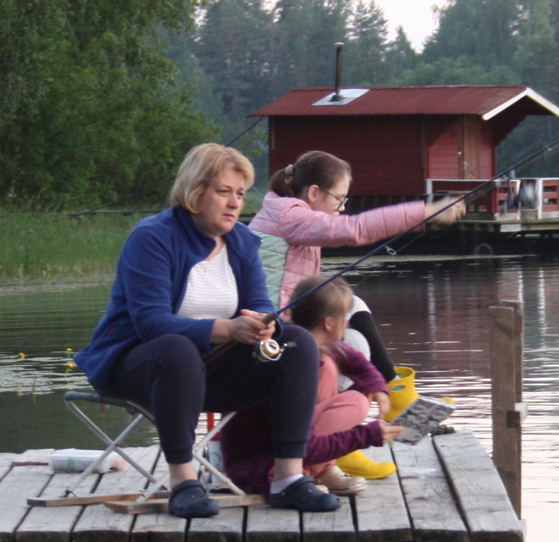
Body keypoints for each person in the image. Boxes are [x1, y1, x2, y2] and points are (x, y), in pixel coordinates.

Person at [73, 144, 339, 519]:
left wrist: (265, 325)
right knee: (176, 348)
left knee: (298, 342)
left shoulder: (243, 242)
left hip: (212, 369)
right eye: (223, 192)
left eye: (240, 194)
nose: (234, 203)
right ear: (196, 193)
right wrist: (226, 328)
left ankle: (288, 479)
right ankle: (183, 481)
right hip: (140, 366)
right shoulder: (153, 237)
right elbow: (150, 322)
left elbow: (261, 304)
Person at [250, 150, 466, 380]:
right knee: (353, 332)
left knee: (352, 317)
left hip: (284, 316)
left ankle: (386, 388)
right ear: (314, 192)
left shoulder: (283, 213)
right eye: (339, 198)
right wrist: (427, 212)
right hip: (272, 325)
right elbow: (356, 229)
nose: (342, 207)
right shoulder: (289, 216)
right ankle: (387, 390)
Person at [218, 274, 403, 496]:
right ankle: (308, 471)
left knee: (355, 388)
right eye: (345, 317)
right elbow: (305, 446)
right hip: (263, 468)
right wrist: (368, 436)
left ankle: (321, 469)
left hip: (287, 448)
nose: (347, 324)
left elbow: (355, 360)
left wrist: (377, 387)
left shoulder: (302, 342)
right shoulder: (298, 363)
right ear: (329, 323)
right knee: (353, 398)